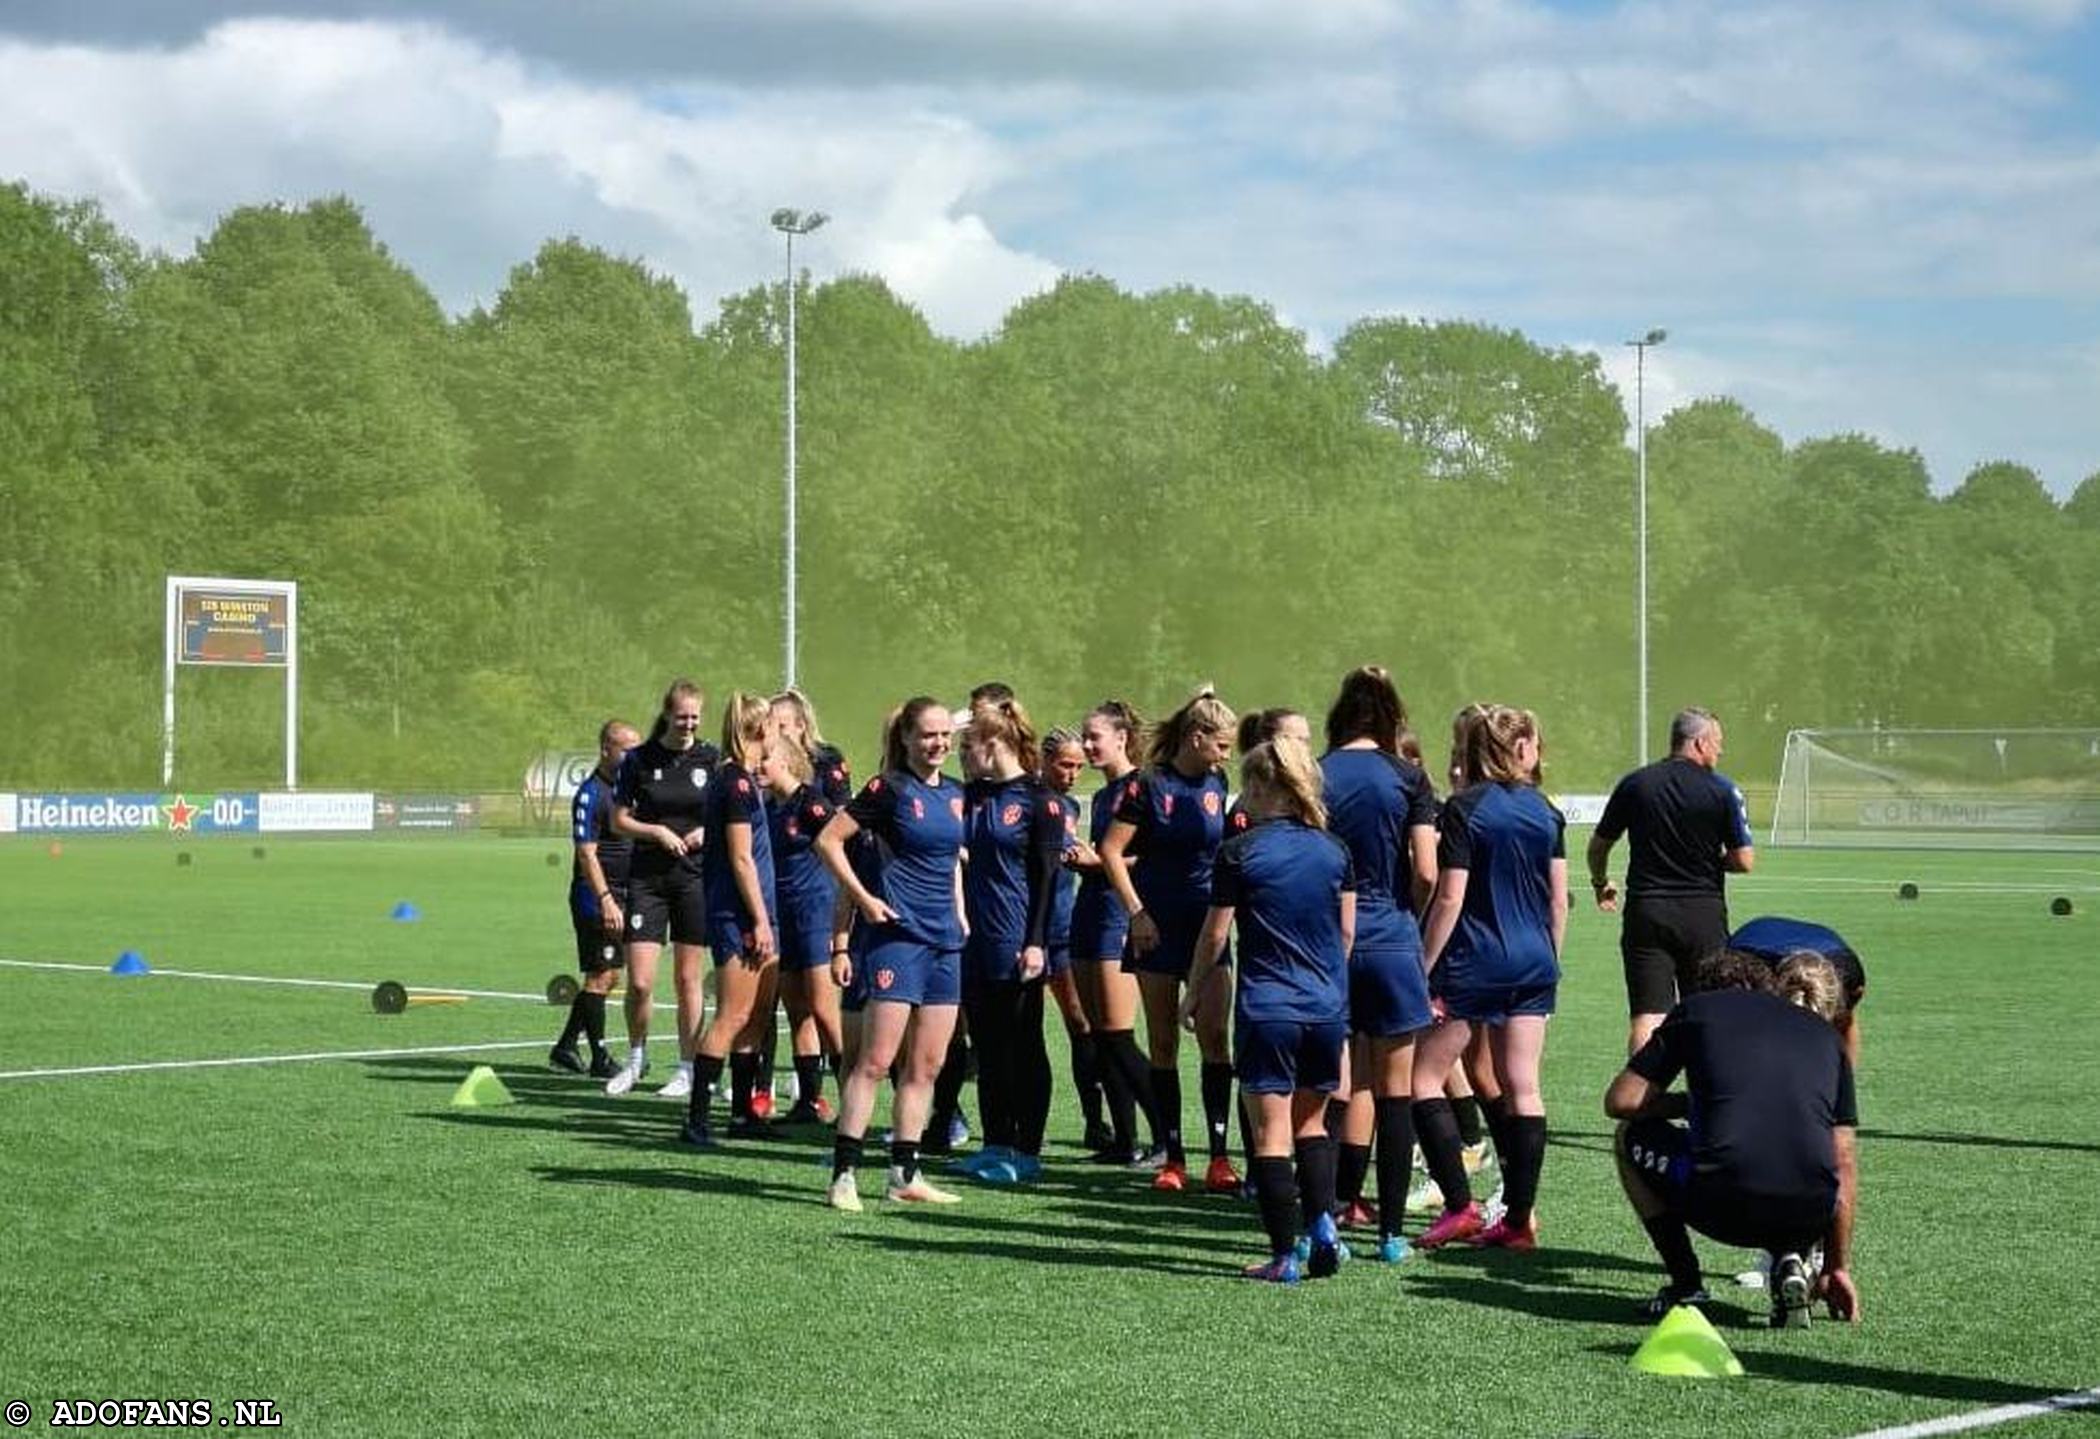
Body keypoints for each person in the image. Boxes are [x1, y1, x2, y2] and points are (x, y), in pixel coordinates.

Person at [1605, 950, 1862, 1327]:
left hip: (1721, 1202)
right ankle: (1790, 1256)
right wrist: (1838, 1266)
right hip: (1808, 1215)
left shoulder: (1698, 1010)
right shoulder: (1829, 1039)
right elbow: (1844, 1162)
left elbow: (1621, 1101)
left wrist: (1694, 1104)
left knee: (1629, 1136)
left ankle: (1686, 1283)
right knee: (1794, 1155)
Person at [1183, 737, 1356, 1282]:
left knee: (1271, 1135)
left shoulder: (1240, 851)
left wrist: (1192, 991)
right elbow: (1347, 931)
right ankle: (1323, 1226)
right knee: (1313, 1124)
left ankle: (1284, 1256)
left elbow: (1215, 937)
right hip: (1326, 1006)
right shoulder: (1334, 850)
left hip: (1269, 1006)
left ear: (1265, 787)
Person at [1411, 706, 1568, 1252]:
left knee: (1423, 1079)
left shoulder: (1464, 810)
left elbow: (1450, 895)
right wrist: (1550, 963)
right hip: (1534, 962)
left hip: (1476, 963)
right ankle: (1519, 1219)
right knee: (1522, 1085)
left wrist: (1421, 968)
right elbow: (1557, 900)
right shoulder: (1547, 812)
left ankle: (1459, 1206)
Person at [815, 697, 969, 1210]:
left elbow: (950, 863)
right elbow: (829, 841)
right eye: (929, 735)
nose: (940, 744)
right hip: (897, 940)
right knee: (874, 1062)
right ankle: (844, 1176)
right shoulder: (888, 789)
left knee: (926, 1066)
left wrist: (960, 915)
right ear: (905, 739)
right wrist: (864, 899)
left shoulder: (954, 794)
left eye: (946, 735)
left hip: (946, 943)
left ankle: (905, 1173)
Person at [1098, 686, 1240, 1194]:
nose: (1228, 756)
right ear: (1197, 737)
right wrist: (1136, 913)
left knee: (1215, 1038)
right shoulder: (1148, 785)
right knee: (1161, 1041)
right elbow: (1110, 851)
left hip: (1208, 928)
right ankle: (1173, 1155)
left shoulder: (1218, 782)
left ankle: (1220, 1157)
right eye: (1222, 744)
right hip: (1156, 926)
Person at [1318, 667, 1438, 1263]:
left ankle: (1329, 1215)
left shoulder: (1315, 772)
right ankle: (1391, 1234)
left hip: (1327, 946)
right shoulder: (1408, 777)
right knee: (1394, 1094)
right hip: (1391, 940)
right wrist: (1407, 920)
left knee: (1333, 1084)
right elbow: (1426, 870)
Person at [1587, 707, 1756, 1053]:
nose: (1720, 751)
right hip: (1702, 914)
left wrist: (1599, 881)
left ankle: (1640, 1099)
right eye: (1718, 743)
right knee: (1709, 1010)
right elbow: (1744, 861)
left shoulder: (1636, 783)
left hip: (1646, 911)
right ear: (1700, 742)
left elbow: (1599, 845)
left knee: (1648, 1017)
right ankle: (1708, 1099)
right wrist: (1709, 859)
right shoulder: (1722, 790)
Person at [953, 697, 1066, 1185]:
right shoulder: (973, 796)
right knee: (988, 1044)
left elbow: (1046, 877)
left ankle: (1028, 1149)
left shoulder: (1040, 801)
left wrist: (1036, 940)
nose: (961, 757)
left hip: (1017, 938)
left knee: (1024, 1043)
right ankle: (995, 1142)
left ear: (993, 744)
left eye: (967, 747)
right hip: (974, 940)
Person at [607, 680, 720, 1098]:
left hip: (694, 877)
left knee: (689, 979)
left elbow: (729, 814)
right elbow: (620, 820)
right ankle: (635, 1059)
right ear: (667, 715)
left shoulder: (711, 758)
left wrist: (705, 833)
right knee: (639, 981)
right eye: (681, 716)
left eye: (695, 716)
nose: (688, 724)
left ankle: (687, 1069)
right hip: (648, 879)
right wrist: (655, 831)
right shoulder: (638, 760)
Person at [679, 692, 781, 1145]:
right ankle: (696, 1119)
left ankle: (744, 1114)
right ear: (760, 730)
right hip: (736, 915)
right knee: (733, 1014)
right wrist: (758, 920)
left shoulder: (747, 781)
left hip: (760, 914)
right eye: (775, 727)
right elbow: (741, 859)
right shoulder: (734, 782)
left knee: (756, 1018)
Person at [754, 690, 854, 1114]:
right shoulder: (772, 808)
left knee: (826, 1011)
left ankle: (854, 1097)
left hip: (815, 911)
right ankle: (810, 1098)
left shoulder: (811, 802)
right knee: (797, 1010)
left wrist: (846, 914)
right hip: (784, 915)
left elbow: (842, 843)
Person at [1072, 700, 1160, 1164]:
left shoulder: (1142, 786)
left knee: (1119, 1034)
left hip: (1119, 916)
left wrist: (1101, 862)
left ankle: (1165, 1135)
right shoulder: (1104, 795)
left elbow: (1151, 857)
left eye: (1095, 737)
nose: (1087, 746)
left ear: (1122, 738)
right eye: (1084, 737)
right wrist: (1083, 860)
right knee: (1099, 1037)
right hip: (1088, 909)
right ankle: (1125, 1141)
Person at [552, 719, 640, 1079]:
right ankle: (600, 1057)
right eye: (626, 749)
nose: (634, 755)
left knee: (608, 976)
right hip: (595, 896)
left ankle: (566, 1046)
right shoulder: (591, 793)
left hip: (622, 894)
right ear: (606, 749)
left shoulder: (628, 790)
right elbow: (587, 854)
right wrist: (605, 899)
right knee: (601, 976)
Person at [1039, 727, 1111, 1151]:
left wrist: (1088, 861)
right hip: (1026, 932)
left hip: (1064, 929)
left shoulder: (1066, 805)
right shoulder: (1028, 797)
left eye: (1078, 767)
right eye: (1065, 765)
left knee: (1081, 1025)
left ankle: (1094, 1120)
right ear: (1045, 761)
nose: (1072, 774)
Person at [1727, 915, 1867, 1066]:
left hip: (1824, 946)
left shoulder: (1849, 977)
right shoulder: (1752, 969)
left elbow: (1847, 1024)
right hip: (1751, 945)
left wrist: (1845, 1084)